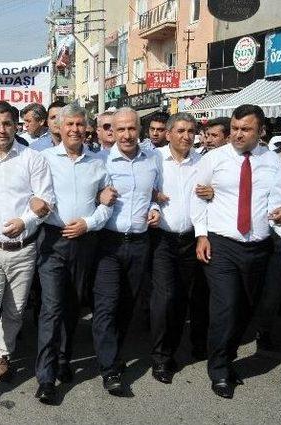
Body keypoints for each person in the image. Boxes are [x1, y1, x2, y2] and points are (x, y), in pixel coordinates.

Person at [191, 104, 281, 399]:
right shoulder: (215, 158)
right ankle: (218, 369)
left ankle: (227, 355)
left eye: (245, 129)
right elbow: (197, 196)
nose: (238, 134)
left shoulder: (271, 161)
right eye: (234, 128)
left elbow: (277, 200)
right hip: (223, 245)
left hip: (259, 247)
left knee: (246, 307)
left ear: (261, 132)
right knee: (226, 305)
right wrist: (201, 234)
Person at [0, 100, 55, 397]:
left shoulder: (33, 159)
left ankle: (3, 354)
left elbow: (46, 201)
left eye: (7, 123)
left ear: (16, 125)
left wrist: (25, 221)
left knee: (14, 311)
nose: (1, 130)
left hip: (23, 248)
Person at [35, 104, 113, 404]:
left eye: (80, 125)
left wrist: (89, 223)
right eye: (70, 124)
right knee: (51, 308)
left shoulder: (97, 163)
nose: (75, 130)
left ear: (86, 128)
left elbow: (108, 202)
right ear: (60, 126)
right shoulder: (43, 160)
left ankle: (64, 359)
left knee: (73, 305)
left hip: (84, 240)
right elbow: (30, 192)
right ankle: (46, 376)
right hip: (53, 241)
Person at [92, 107, 161, 395]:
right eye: (120, 129)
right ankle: (109, 369)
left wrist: (155, 208)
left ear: (139, 129)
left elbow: (157, 192)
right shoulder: (101, 162)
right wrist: (98, 196)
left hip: (140, 243)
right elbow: (86, 196)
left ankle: (114, 353)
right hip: (108, 244)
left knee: (127, 306)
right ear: (112, 132)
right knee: (106, 306)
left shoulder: (153, 161)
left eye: (131, 128)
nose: (126, 134)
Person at [148, 112, 209, 385]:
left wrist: (213, 193)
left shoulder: (203, 162)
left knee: (183, 298)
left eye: (191, 131)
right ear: (169, 133)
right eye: (181, 130)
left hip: (192, 239)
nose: (187, 136)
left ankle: (174, 348)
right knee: (165, 298)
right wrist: (152, 202)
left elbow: (211, 196)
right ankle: (160, 358)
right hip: (163, 240)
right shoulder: (154, 159)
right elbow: (142, 190)